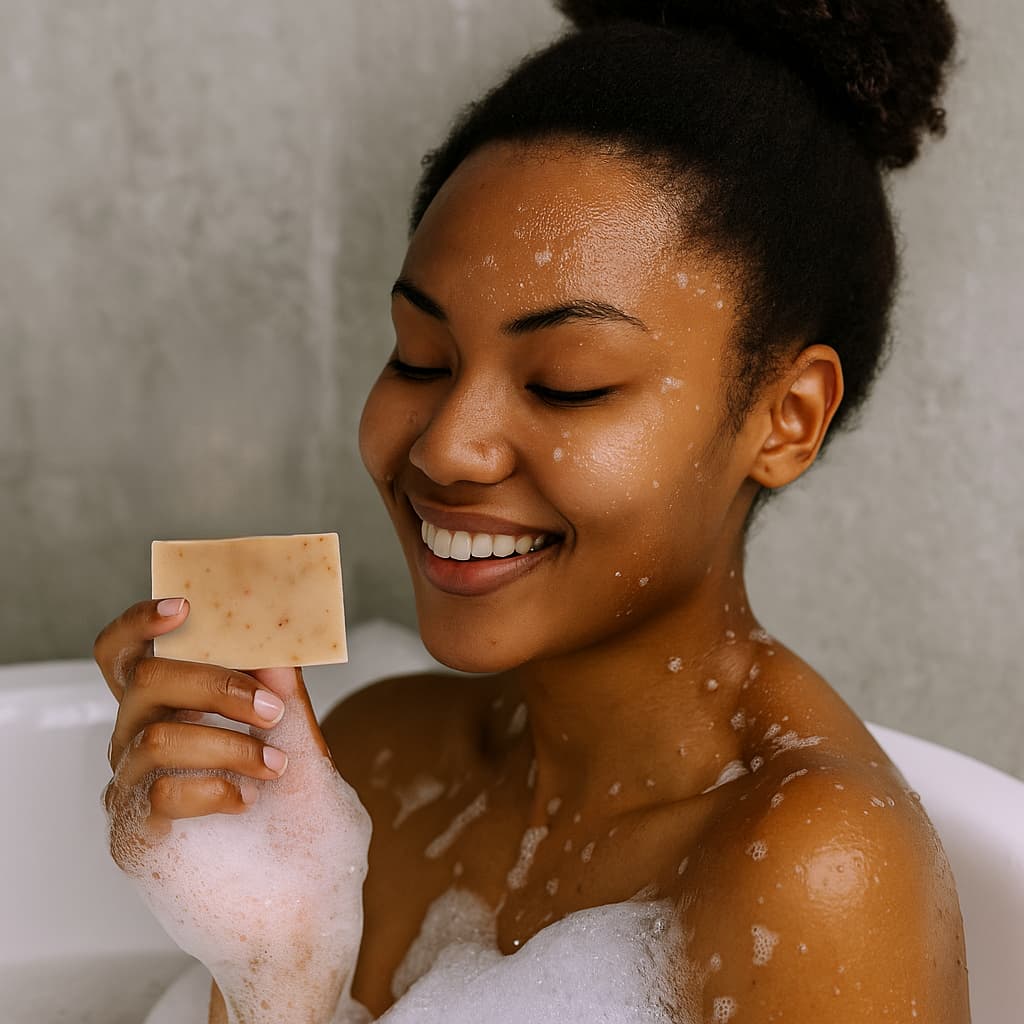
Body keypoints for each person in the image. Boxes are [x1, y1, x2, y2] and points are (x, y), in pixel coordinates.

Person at [94, 1, 970, 1020]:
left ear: (784, 418)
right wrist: (265, 969)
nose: (443, 444)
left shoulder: (812, 872)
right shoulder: (375, 763)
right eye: (420, 357)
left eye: (566, 381)